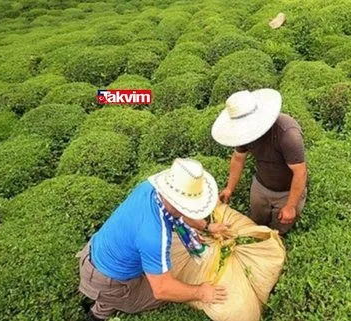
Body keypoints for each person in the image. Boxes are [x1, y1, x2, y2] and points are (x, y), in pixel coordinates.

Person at [77, 158, 229, 321]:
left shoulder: (150, 188)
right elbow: (162, 289)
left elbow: (180, 212)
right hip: (109, 279)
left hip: (98, 251)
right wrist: (200, 292)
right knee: (166, 295)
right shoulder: (155, 235)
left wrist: (206, 227)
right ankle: (101, 309)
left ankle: (103, 301)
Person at [211, 89, 307, 235]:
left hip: (287, 191)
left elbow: (300, 172)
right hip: (261, 185)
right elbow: (238, 158)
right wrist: (229, 188)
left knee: (279, 229)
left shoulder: (287, 134)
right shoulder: (244, 133)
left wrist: (290, 206)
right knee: (255, 221)